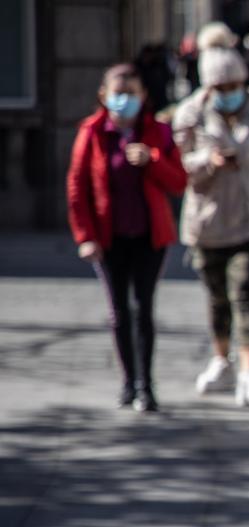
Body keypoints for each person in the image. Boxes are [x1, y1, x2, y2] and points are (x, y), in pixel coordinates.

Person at [174, 47, 249, 407]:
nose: (229, 91)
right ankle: (220, 359)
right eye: (221, 85)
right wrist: (207, 162)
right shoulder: (190, 115)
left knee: (247, 292)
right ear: (208, 86)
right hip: (207, 220)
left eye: (235, 84)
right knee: (217, 297)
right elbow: (176, 166)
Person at [66, 64, 187, 412]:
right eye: (118, 92)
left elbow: (178, 182)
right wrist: (85, 237)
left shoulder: (158, 132)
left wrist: (151, 160)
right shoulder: (91, 133)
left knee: (143, 309)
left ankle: (146, 385)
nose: (125, 99)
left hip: (150, 237)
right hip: (109, 238)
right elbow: (77, 188)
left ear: (144, 96)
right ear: (103, 95)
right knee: (119, 311)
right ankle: (127, 381)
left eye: (132, 92)